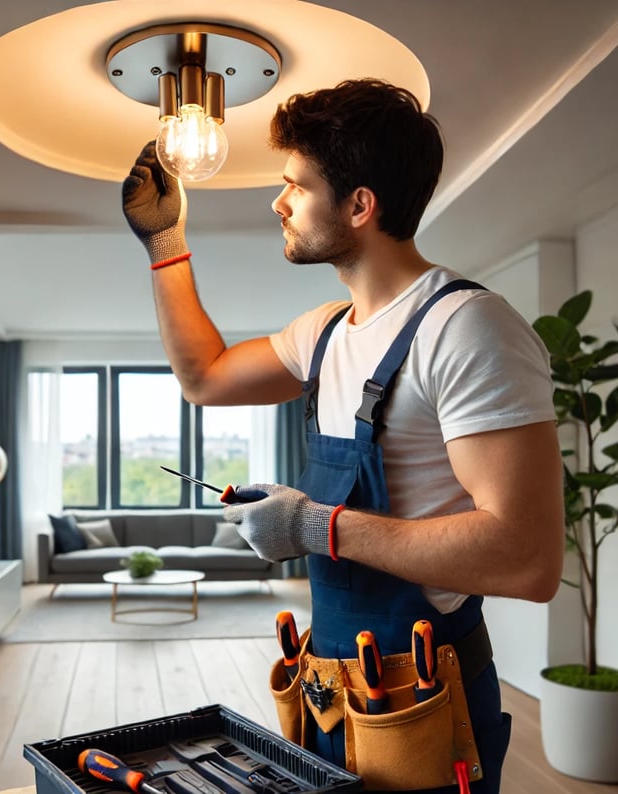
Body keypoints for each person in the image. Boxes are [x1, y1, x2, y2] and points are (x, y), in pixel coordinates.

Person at [122, 78, 564, 793]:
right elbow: (203, 379)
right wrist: (166, 245)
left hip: (422, 704)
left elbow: (528, 558)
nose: (279, 202)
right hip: (327, 689)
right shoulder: (323, 331)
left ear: (360, 206)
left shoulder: (468, 329)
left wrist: (312, 525)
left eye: (295, 185)